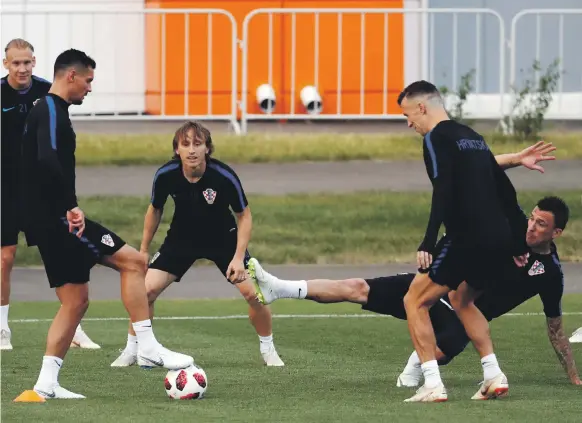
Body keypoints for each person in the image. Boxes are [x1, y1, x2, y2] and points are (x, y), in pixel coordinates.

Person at [248, 197, 581, 388]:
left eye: (541, 224)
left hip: (463, 324)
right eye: (532, 218)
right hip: (435, 288)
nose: (531, 227)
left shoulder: (550, 274)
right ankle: (280, 288)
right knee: (358, 288)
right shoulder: (508, 228)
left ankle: (415, 367)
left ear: (558, 232)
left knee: (422, 368)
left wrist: (573, 375)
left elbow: (555, 330)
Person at [19, 49, 194, 400]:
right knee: (136, 261)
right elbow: (48, 158)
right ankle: (147, 345)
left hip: (44, 220)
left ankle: (44, 385)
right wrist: (70, 206)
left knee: (75, 302)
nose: (90, 88)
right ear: (71, 75)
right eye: (88, 80)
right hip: (59, 220)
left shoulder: (45, 109)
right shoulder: (51, 109)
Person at [397, 80, 533, 402]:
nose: (408, 124)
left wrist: (428, 241)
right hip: (498, 237)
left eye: (407, 115)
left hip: (467, 237)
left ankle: (432, 384)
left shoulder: (435, 138)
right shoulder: (472, 137)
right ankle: (493, 375)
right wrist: (518, 242)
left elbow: (442, 190)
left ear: (422, 107)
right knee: (462, 299)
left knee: (414, 301)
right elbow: (504, 189)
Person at [110, 121, 284, 368]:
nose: (191, 150)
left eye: (197, 144)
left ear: (207, 149)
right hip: (182, 238)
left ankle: (268, 350)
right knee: (145, 291)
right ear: (177, 149)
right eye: (185, 144)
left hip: (223, 238)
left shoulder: (223, 176)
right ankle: (133, 348)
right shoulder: (165, 175)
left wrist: (238, 257)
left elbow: (244, 215)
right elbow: (155, 209)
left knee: (254, 294)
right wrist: (144, 250)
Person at [1, 38, 98, 351]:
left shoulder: (47, 94)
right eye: (16, 63)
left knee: (55, 251)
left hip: (39, 193)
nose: (23, 68)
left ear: (34, 61)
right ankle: (2, 328)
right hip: (4, 190)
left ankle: (72, 326)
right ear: (6, 65)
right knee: (5, 257)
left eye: (27, 62)